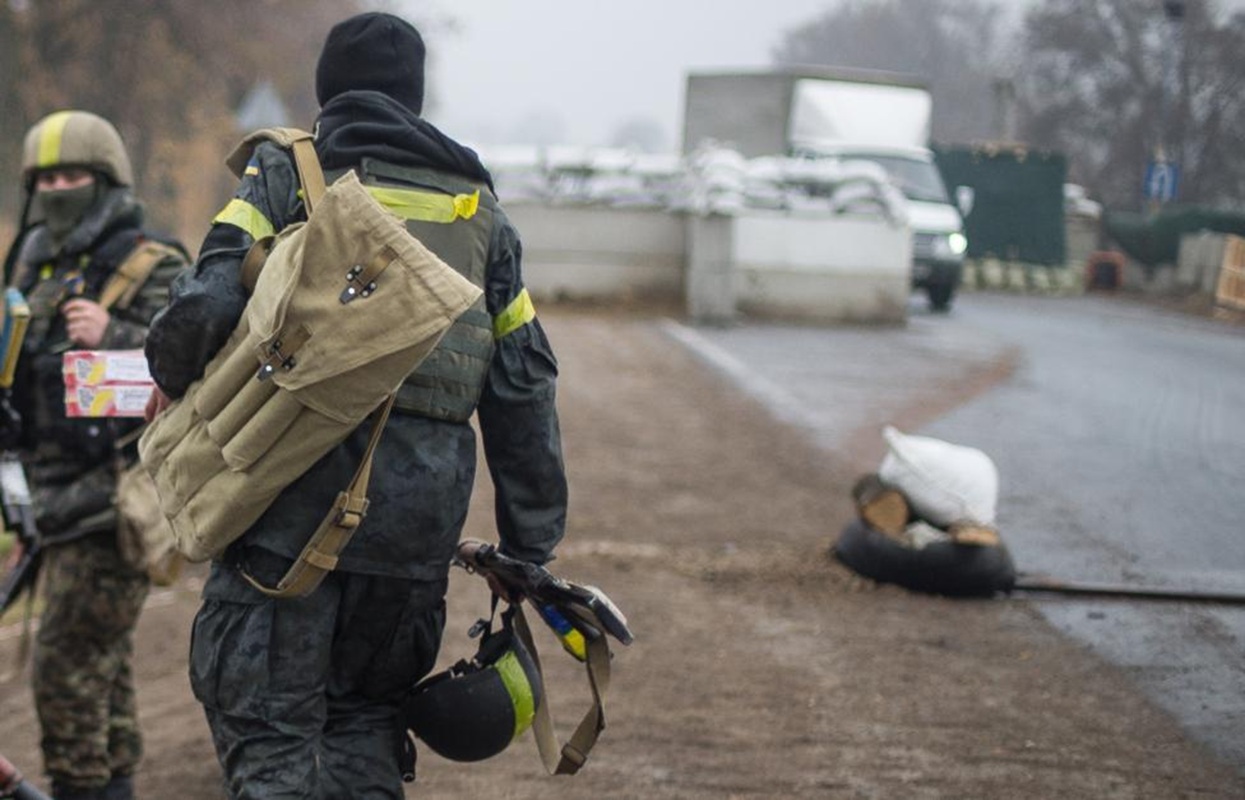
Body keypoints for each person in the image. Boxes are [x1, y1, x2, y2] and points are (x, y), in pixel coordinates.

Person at [143, 12, 568, 798]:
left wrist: (167, 370)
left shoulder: (289, 174)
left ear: (326, 89)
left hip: (285, 507)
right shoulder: (481, 214)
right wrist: (528, 547)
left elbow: (206, 300)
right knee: (366, 727)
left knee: (270, 736)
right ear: (415, 96)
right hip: (412, 536)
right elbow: (524, 386)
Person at [3, 109, 189, 800]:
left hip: (118, 499)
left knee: (65, 666)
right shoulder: (31, 260)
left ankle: (83, 789)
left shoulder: (153, 262)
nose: (57, 188)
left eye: (73, 175)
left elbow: (198, 361)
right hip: (48, 494)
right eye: (45, 177)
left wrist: (117, 330)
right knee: (98, 670)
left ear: (106, 180)